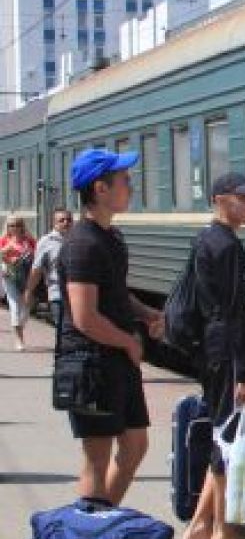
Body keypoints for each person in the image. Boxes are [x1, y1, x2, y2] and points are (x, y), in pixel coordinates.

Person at [58, 149, 164, 506]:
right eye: (124, 181)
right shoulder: (82, 244)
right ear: (100, 189)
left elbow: (115, 293)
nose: (130, 187)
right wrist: (128, 343)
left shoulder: (111, 238)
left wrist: (146, 313)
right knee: (97, 458)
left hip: (114, 359)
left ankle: (103, 520)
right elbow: (84, 317)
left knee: (135, 445)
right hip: (91, 362)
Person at [180, 173, 245, 539]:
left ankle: (200, 526)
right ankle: (225, 532)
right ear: (220, 199)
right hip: (229, 349)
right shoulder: (228, 245)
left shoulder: (205, 238)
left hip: (212, 347)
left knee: (224, 433)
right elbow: (234, 311)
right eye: (243, 197)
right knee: (233, 439)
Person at [24, 208, 72, 331]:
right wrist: (29, 291)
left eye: (69, 220)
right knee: (63, 329)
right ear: (54, 224)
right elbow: (37, 269)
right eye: (62, 220)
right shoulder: (46, 242)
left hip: (77, 292)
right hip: (57, 293)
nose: (66, 223)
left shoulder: (77, 240)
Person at [1, 215, 37, 351]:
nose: (14, 228)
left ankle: (18, 327)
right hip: (9, 277)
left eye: (17, 225)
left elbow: (38, 257)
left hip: (28, 278)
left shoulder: (30, 241)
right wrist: (6, 256)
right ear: (8, 227)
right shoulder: (4, 240)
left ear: (22, 226)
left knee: (27, 309)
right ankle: (19, 339)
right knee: (15, 306)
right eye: (11, 225)